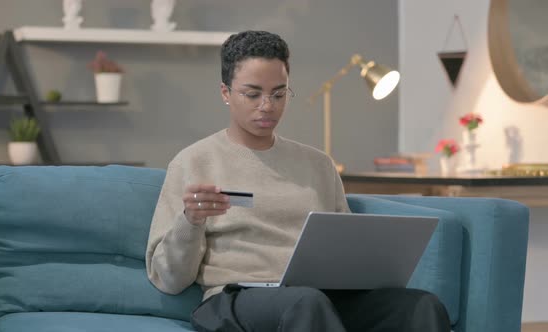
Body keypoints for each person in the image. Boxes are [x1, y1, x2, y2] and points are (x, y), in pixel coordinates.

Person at [146, 30, 450, 332]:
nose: (267, 105)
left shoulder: (318, 165)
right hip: (238, 299)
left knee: (420, 306)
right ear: (226, 93)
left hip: (318, 297)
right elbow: (168, 279)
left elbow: (345, 248)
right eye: (253, 94)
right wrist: (191, 220)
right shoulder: (193, 161)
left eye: (279, 94)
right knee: (306, 303)